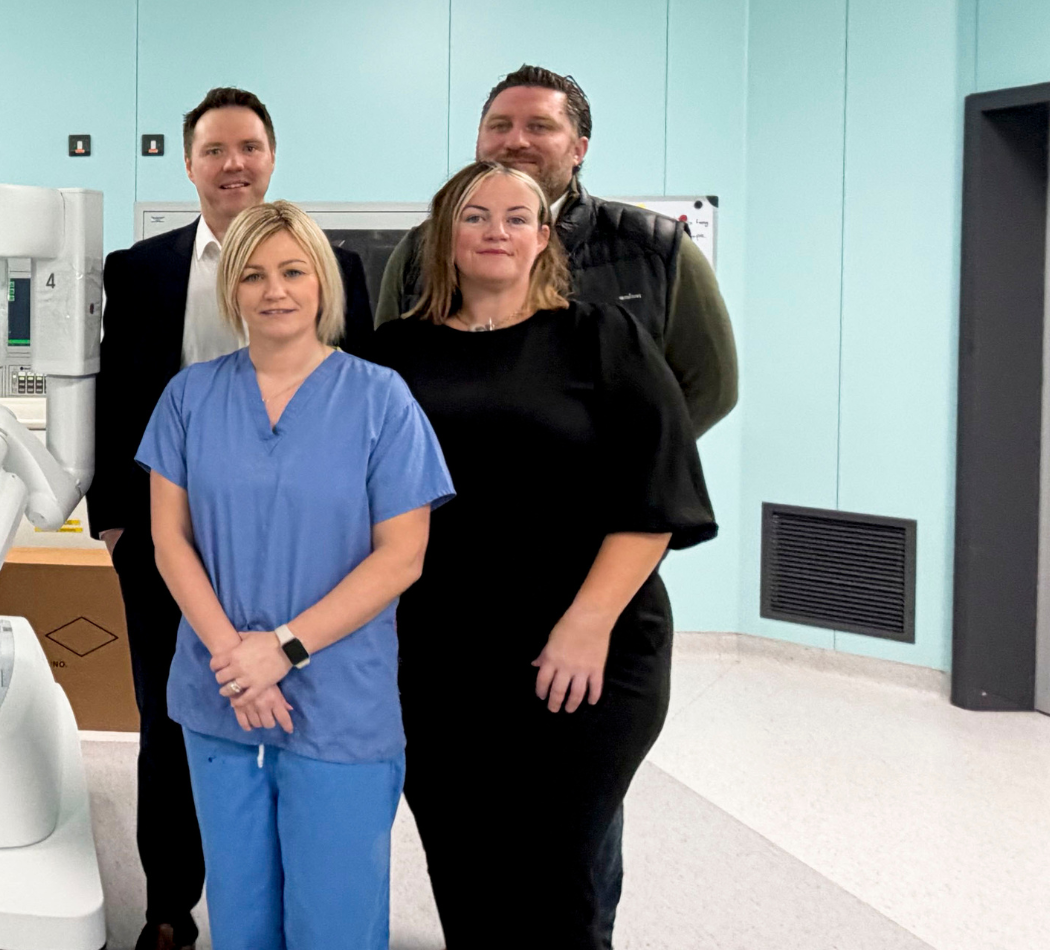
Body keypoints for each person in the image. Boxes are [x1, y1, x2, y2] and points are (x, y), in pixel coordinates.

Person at [356, 161, 716, 949]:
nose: (496, 232)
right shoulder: (390, 356)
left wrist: (586, 624)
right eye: (476, 216)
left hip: (588, 654)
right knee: (463, 864)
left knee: (559, 873)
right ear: (443, 237)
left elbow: (656, 497)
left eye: (517, 218)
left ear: (543, 237)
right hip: (438, 660)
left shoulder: (602, 338)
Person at [88, 86, 371, 950]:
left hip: (301, 545)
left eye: (248, 146)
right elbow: (114, 394)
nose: (232, 163)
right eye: (214, 149)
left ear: (272, 156)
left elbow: (355, 403)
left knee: (294, 704)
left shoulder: (336, 270)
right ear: (189, 165)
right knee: (170, 718)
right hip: (169, 534)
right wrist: (115, 519)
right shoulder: (139, 269)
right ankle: (170, 905)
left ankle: (288, 901)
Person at [135, 201, 451, 950]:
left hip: (339, 701)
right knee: (241, 919)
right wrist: (236, 660)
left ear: (322, 284)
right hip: (220, 697)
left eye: (291, 271)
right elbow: (169, 540)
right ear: (231, 291)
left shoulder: (382, 400)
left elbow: (402, 556)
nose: (273, 290)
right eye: (252, 274)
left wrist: (281, 650)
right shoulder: (189, 398)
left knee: (333, 920)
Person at [372, 64, 738, 434]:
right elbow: (385, 381)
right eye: (500, 126)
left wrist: (622, 471)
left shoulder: (657, 248)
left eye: (539, 126)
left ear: (579, 150)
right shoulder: (421, 248)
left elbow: (711, 389)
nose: (515, 141)